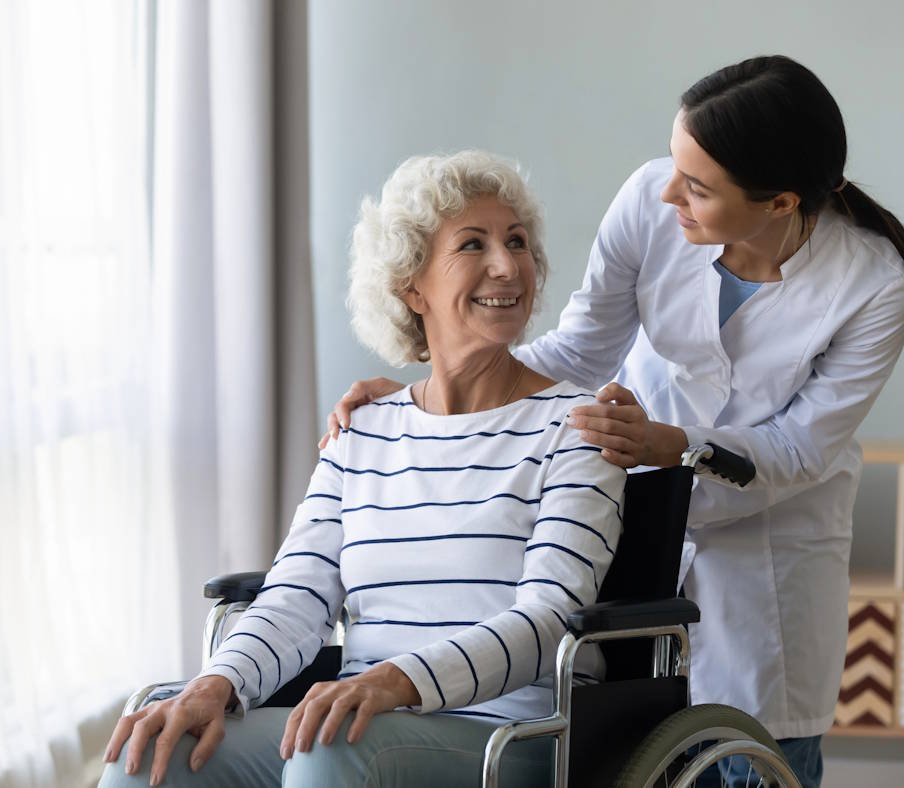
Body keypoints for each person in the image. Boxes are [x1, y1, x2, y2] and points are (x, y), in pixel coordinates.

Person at [323, 56, 904, 788]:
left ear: (780, 202)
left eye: (697, 187)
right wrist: (440, 386)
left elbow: (800, 449)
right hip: (630, 528)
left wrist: (674, 446)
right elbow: (578, 351)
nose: (668, 193)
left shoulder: (874, 282)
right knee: (631, 745)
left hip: (768, 561)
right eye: (675, 165)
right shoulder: (649, 205)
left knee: (753, 755)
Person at [99, 151, 626, 788]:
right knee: (154, 751)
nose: (507, 265)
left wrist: (395, 681)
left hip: (514, 734)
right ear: (412, 286)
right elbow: (296, 596)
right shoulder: (363, 430)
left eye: (517, 242)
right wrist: (217, 683)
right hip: (362, 725)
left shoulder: (578, 426)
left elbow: (550, 617)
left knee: (331, 749)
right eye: (473, 244)